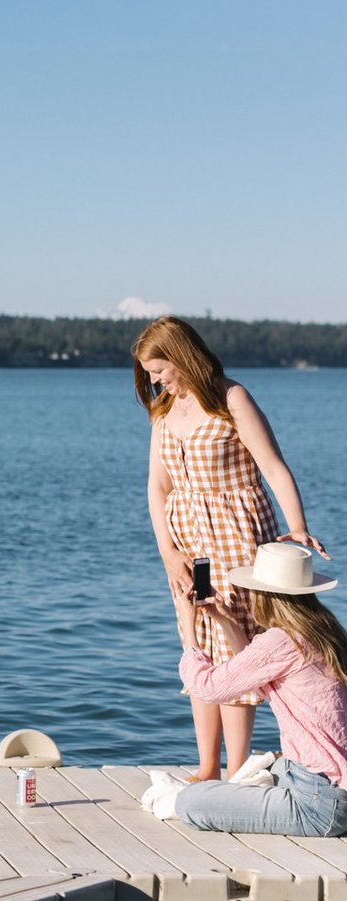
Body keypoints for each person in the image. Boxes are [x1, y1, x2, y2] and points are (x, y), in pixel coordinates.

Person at [134, 316, 329, 782]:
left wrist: (298, 526)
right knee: (196, 638)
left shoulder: (231, 399)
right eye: (148, 372)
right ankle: (206, 767)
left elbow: (274, 467)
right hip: (189, 545)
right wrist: (169, 553)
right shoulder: (164, 411)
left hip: (237, 537)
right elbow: (156, 489)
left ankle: (237, 767)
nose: (153, 379)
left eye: (159, 369)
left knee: (235, 648)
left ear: (183, 355)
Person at [174, 542, 346, 836]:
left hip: (319, 807)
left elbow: (207, 687)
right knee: (266, 773)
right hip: (332, 785)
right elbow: (264, 678)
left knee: (188, 802)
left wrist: (188, 627)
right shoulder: (325, 630)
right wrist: (227, 621)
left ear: (264, 596)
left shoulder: (281, 641)